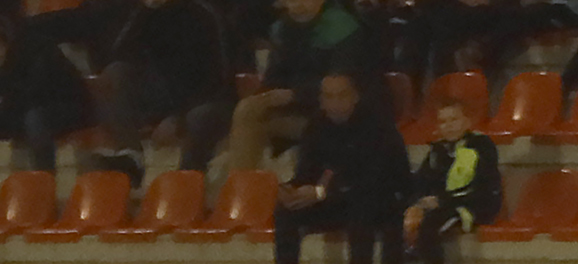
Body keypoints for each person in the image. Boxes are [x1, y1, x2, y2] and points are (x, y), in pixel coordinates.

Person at [272, 71, 411, 264]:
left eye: (341, 95)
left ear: (355, 96)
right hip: (334, 200)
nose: (335, 102)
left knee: (362, 207)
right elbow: (307, 171)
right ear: (321, 100)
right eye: (329, 96)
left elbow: (375, 179)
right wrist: (293, 191)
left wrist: (321, 192)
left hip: (376, 200)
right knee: (285, 212)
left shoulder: (377, 125)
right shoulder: (316, 126)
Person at [91, 0, 238, 180]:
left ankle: (187, 179)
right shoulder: (148, 14)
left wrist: (178, 118)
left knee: (199, 117)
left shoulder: (205, 12)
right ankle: (131, 157)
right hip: (165, 95)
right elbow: (119, 54)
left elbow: (220, 80)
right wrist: (145, 11)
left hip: (211, 100)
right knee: (115, 73)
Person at [225, 0, 374, 172]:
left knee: (252, 128)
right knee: (247, 110)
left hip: (329, 112)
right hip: (293, 106)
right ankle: (242, 181)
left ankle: (247, 178)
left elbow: (342, 85)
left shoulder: (343, 28)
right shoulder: (281, 29)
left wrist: (294, 94)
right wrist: (268, 96)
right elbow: (274, 77)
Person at [403, 97, 502, 264]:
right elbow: (421, 181)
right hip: (443, 203)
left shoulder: (481, 147)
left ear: (467, 122)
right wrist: (417, 202)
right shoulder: (437, 150)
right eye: (443, 121)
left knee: (431, 223)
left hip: (473, 205)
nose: (449, 126)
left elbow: (482, 187)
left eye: (454, 119)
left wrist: (442, 200)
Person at [0, 18, 93, 173]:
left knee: (35, 119)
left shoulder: (37, 49)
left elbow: (36, 92)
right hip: (26, 107)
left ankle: (45, 175)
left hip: (68, 105)